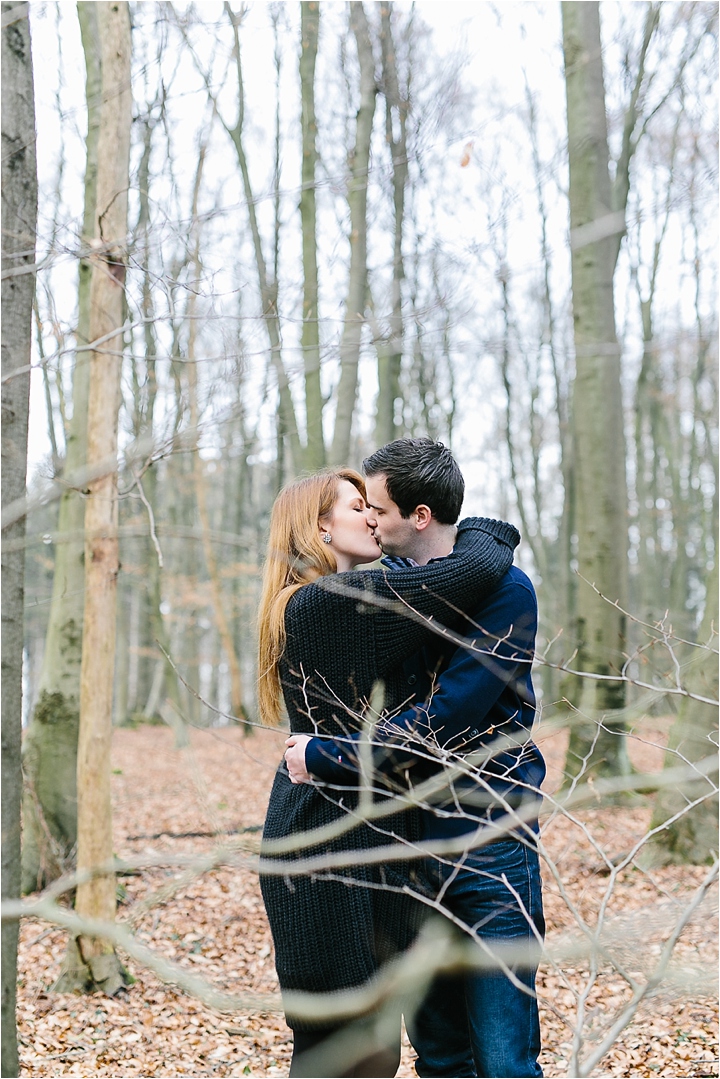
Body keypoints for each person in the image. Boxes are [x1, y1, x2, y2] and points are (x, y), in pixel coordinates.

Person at [285, 439, 546, 1078]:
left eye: (377, 508)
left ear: (419, 515)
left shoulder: (507, 592)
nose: (370, 519)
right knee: (440, 1057)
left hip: (489, 841)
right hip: (409, 850)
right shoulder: (390, 594)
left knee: (505, 1056)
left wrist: (325, 755)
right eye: (362, 509)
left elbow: (438, 722)